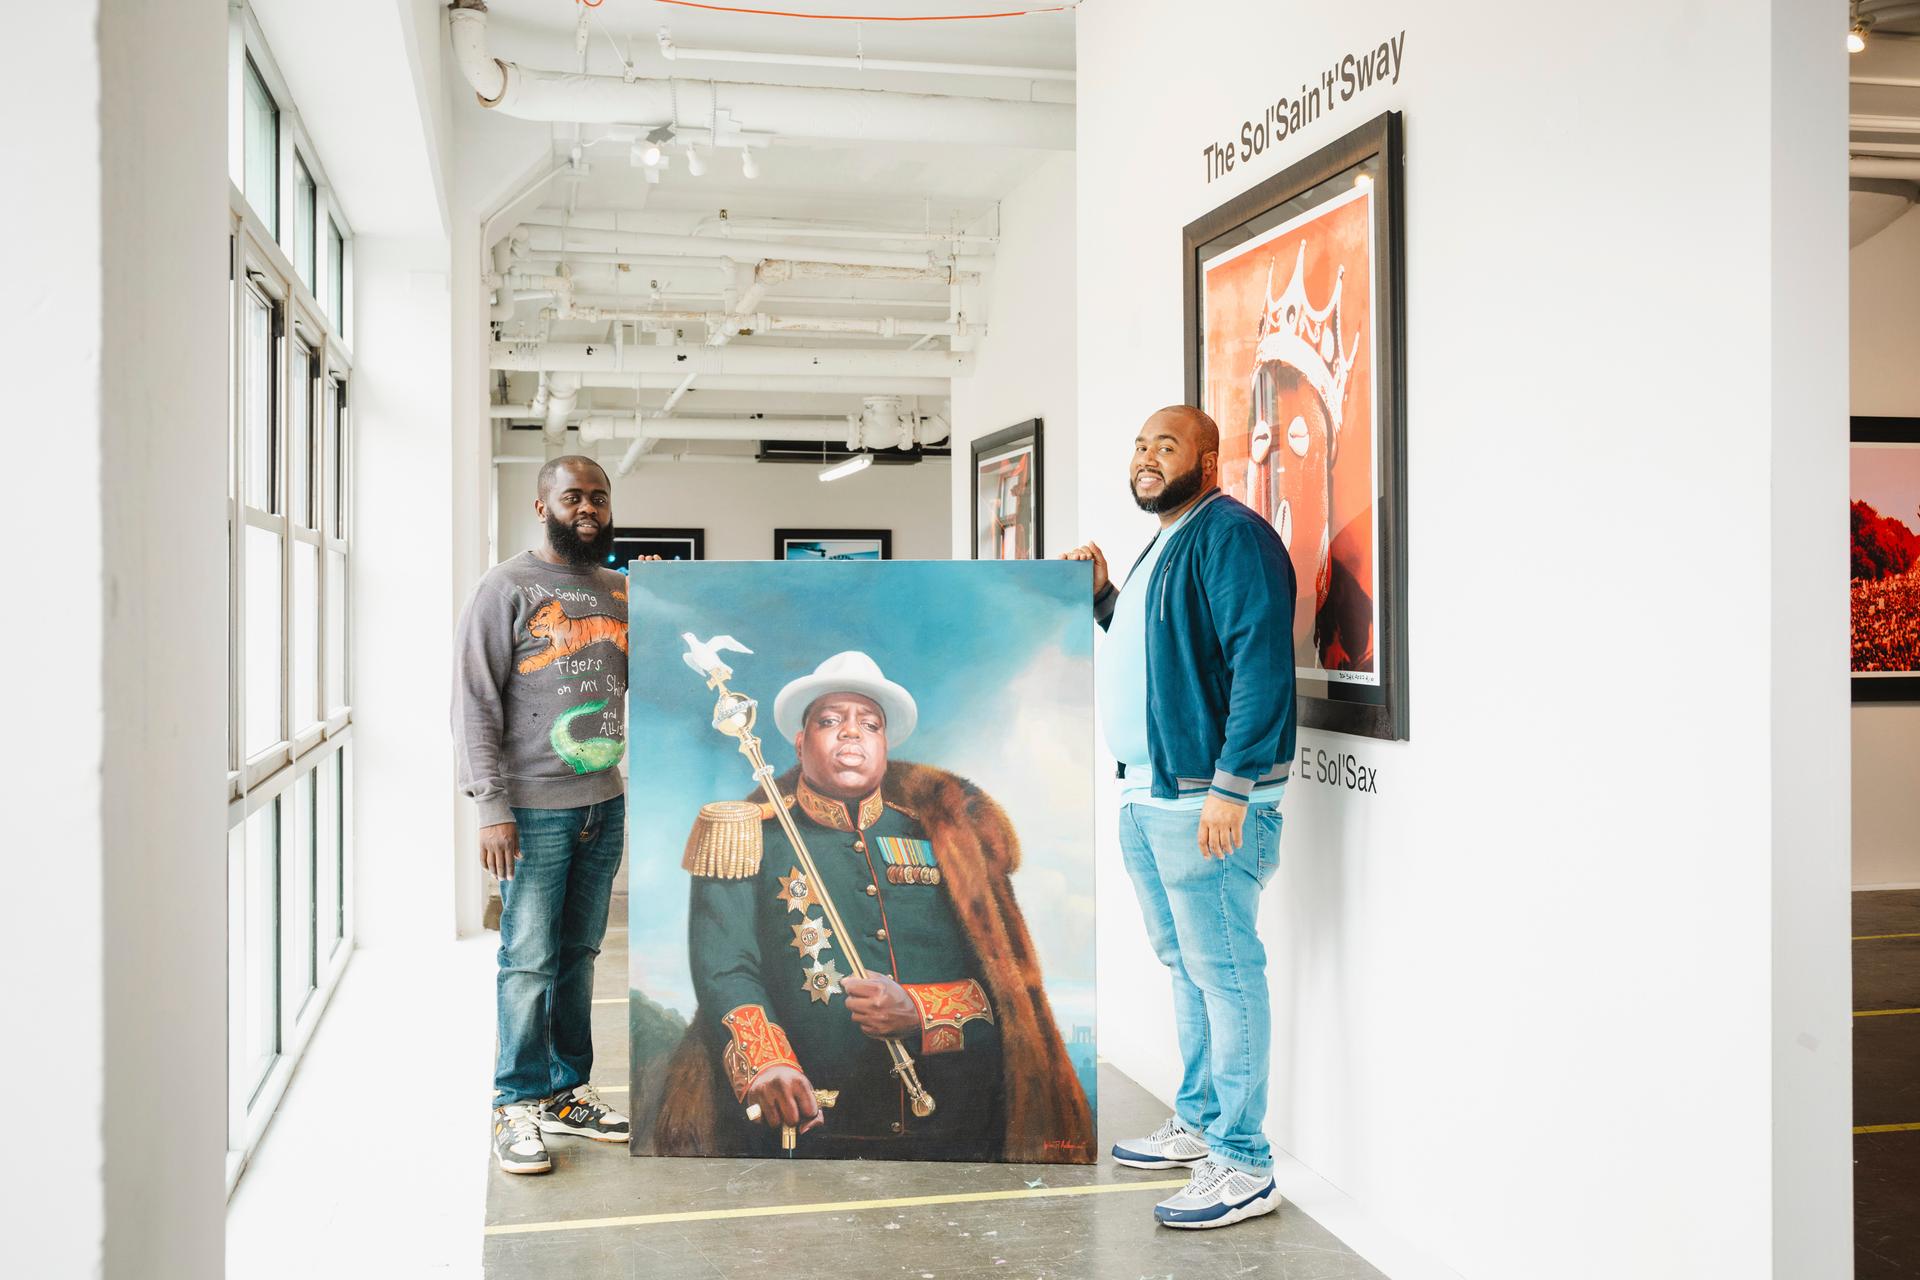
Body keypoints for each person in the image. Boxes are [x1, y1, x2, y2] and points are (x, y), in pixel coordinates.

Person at [653, 651, 1092, 1163]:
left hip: (959, 1127)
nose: (850, 733)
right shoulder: (747, 837)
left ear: (884, 745)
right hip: (811, 1125)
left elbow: (1005, 993)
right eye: (830, 721)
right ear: (801, 742)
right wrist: (767, 1065)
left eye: (869, 724)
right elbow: (726, 969)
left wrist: (920, 1012)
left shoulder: (946, 840)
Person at [1064, 405, 1297, 1229]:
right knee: (1187, 964)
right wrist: (1104, 601)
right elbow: (1159, 648)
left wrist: (1233, 788)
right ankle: (1201, 1122)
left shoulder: (1231, 534)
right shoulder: (1172, 537)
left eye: (1167, 445)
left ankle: (1244, 1161)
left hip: (1207, 799)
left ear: (1210, 458)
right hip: (1151, 791)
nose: (1146, 459)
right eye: (1139, 446)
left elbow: (1258, 660)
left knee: (1226, 972)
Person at [453, 454, 642, 1175]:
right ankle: (515, 1104)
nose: (586, 508)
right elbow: (473, 701)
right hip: (531, 812)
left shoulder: (620, 592)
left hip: (603, 803)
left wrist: (666, 594)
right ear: (543, 506)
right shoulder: (506, 587)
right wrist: (490, 807)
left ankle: (568, 1092)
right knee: (527, 961)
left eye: (597, 496)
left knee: (579, 957)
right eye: (572, 497)